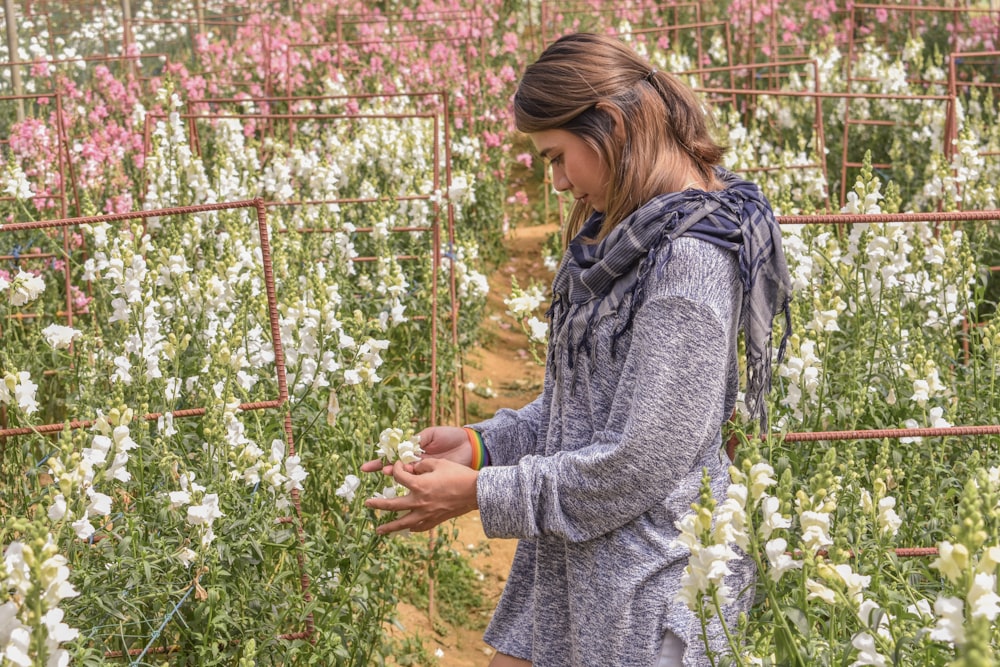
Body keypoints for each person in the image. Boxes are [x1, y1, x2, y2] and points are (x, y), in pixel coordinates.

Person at [363, 32, 792, 667]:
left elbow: (636, 462)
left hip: (650, 599)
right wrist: (484, 446)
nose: (559, 182)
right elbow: (582, 410)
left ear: (612, 126)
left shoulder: (688, 263)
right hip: (579, 573)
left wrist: (482, 493)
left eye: (559, 157)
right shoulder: (624, 236)